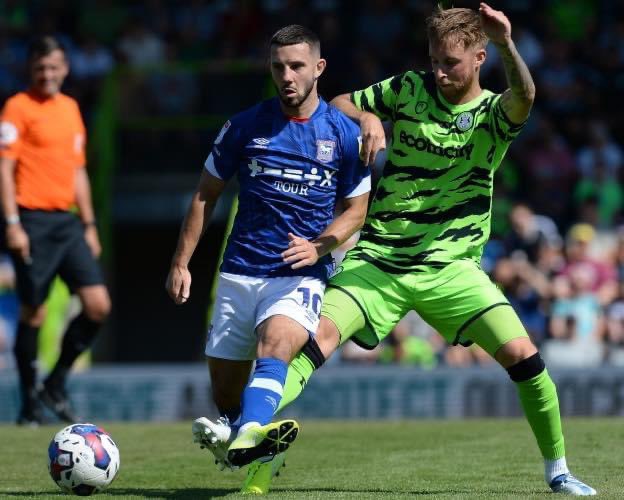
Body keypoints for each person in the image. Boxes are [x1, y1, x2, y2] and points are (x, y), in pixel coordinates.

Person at [205, 4, 597, 495]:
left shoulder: (492, 115)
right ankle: (250, 436)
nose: (438, 71)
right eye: (433, 59)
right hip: (378, 261)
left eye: (449, 63)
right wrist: (368, 116)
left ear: (479, 58)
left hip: (452, 269)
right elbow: (341, 102)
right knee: (310, 344)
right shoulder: (408, 88)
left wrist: (507, 43)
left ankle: (558, 471)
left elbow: (527, 95)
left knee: (526, 359)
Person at [165, 25, 370, 471]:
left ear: (319, 68)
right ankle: (244, 439)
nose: (287, 76)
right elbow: (205, 195)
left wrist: (319, 247)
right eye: (278, 67)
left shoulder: (342, 134)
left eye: (297, 66)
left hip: (299, 274)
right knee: (224, 391)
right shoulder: (243, 126)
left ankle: (247, 436)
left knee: (275, 346)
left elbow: (357, 210)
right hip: (239, 270)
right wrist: (181, 262)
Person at [0, 36, 111, 425]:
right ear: (31, 70)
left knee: (98, 305)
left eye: (53, 67)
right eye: (40, 68)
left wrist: (89, 224)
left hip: (67, 223)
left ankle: (56, 381)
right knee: (34, 311)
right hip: (31, 220)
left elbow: (78, 170)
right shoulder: (17, 107)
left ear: (65, 68)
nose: (47, 74)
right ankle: (28, 402)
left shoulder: (71, 108)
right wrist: (12, 224)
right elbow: (4, 169)